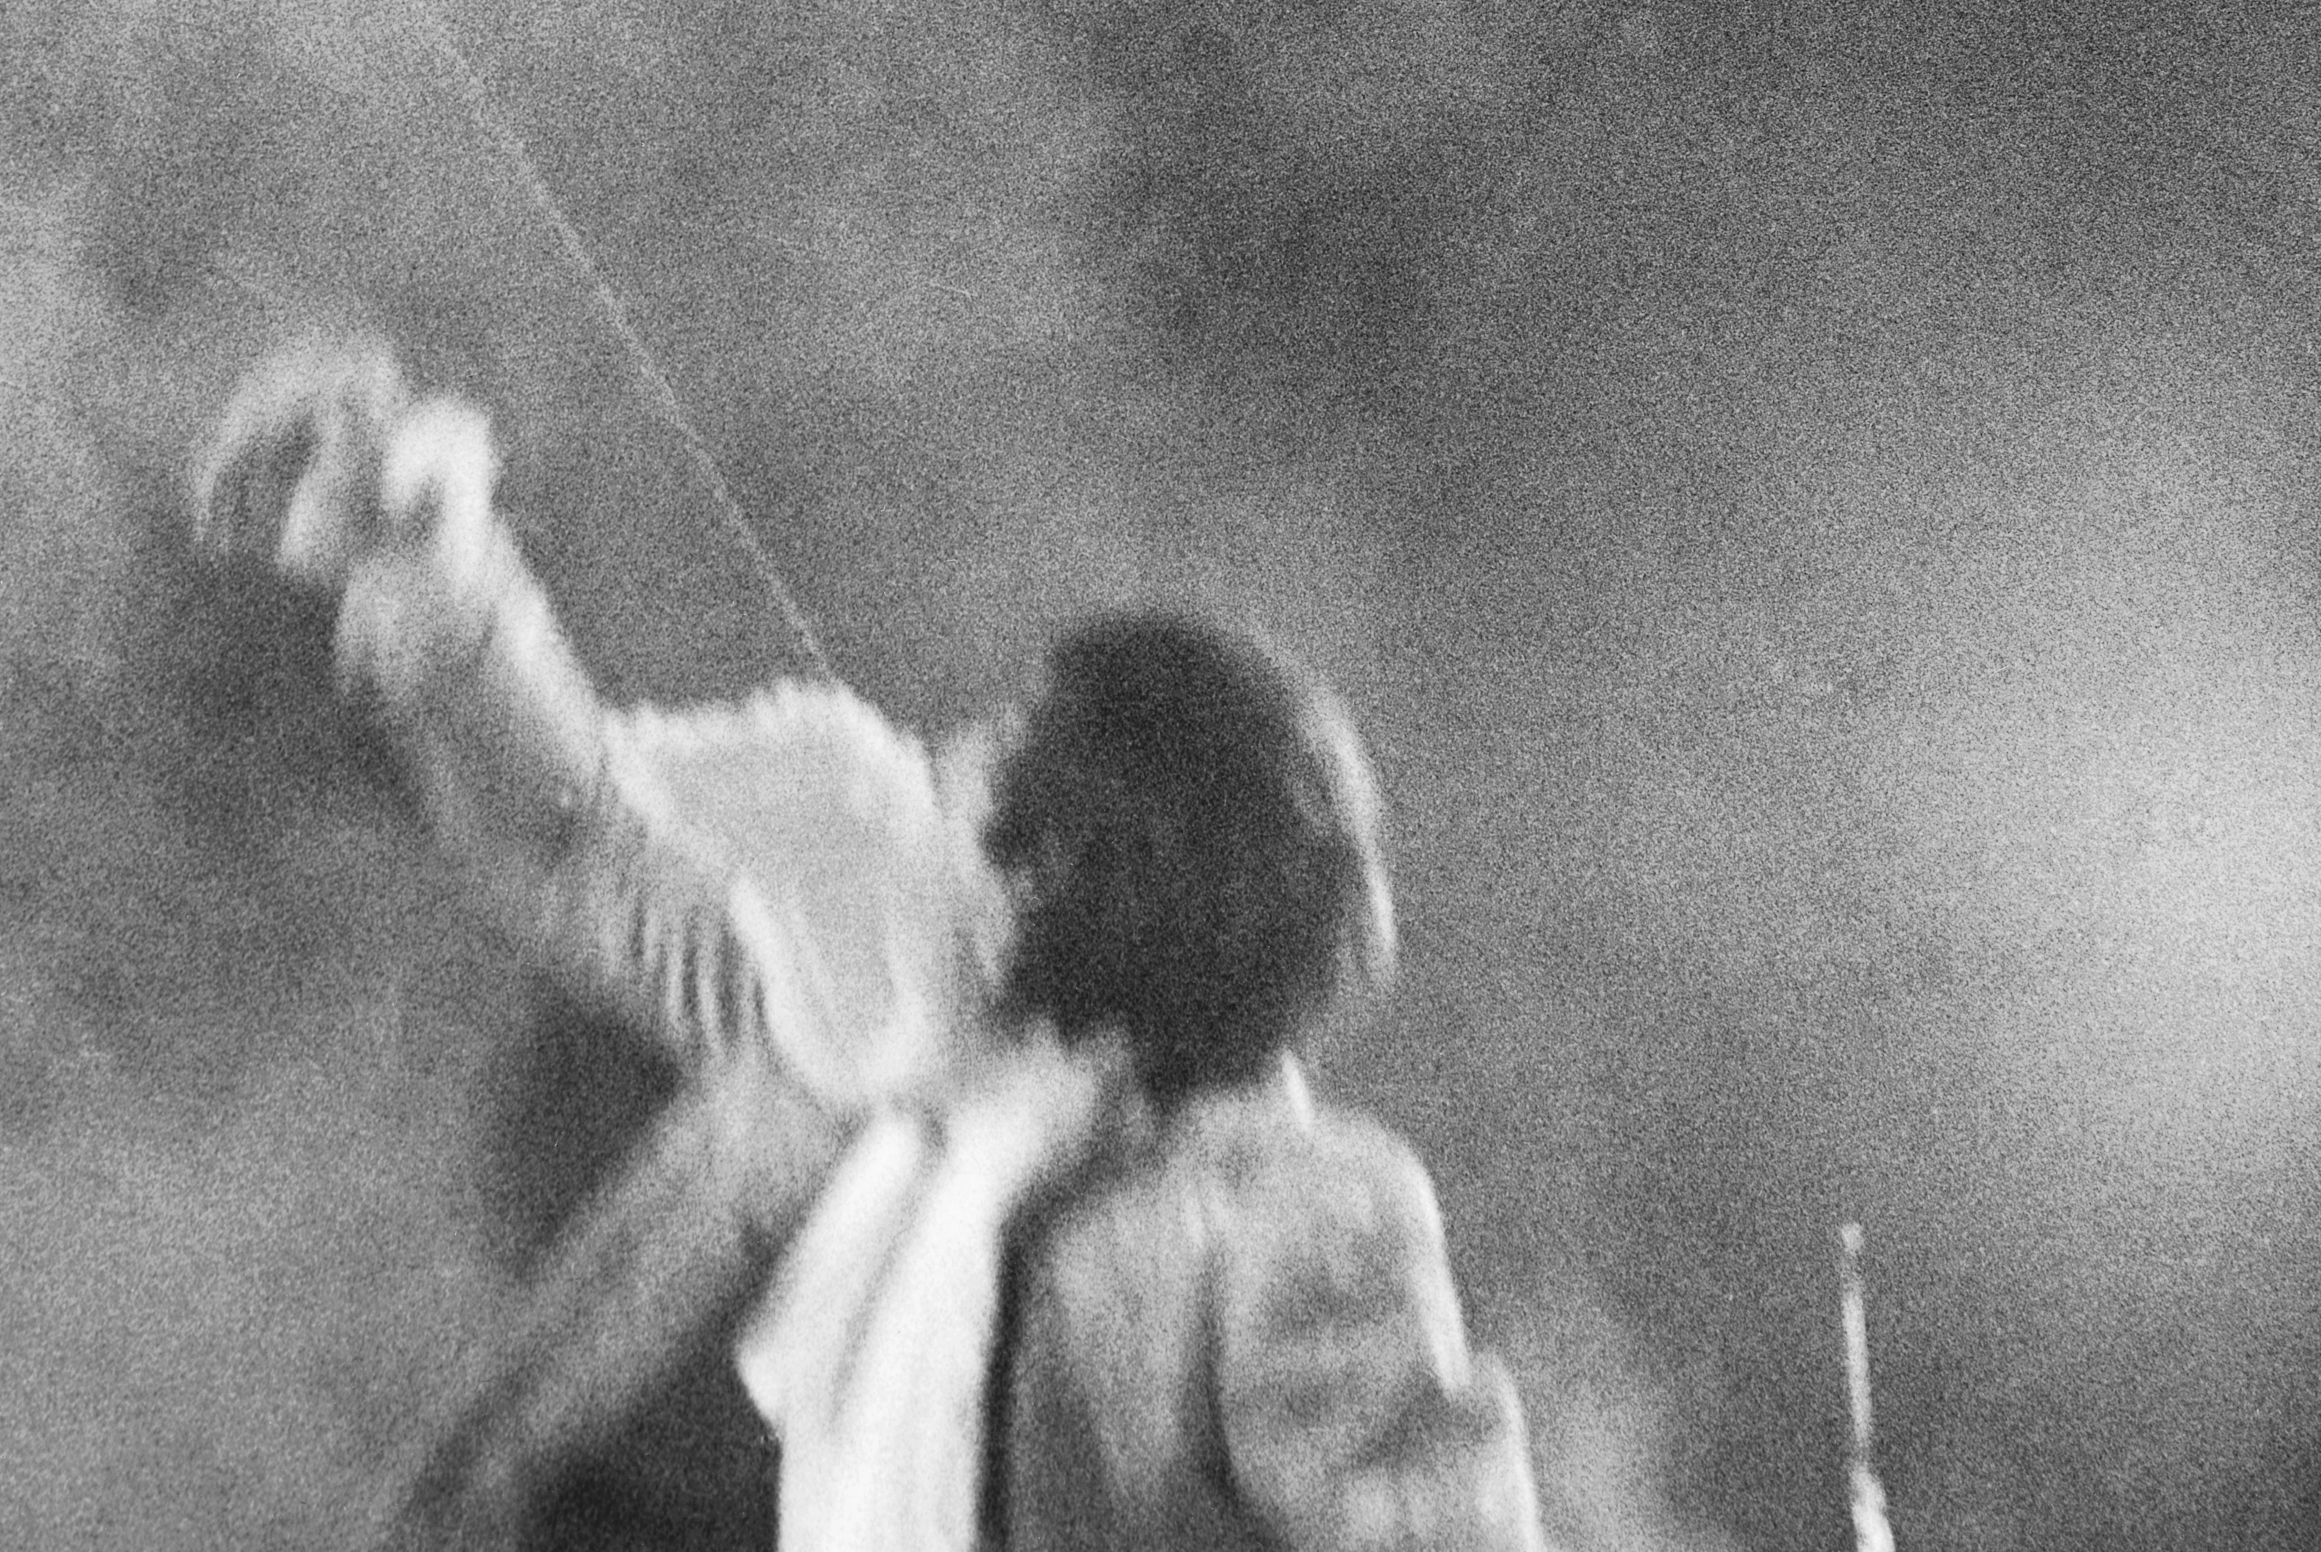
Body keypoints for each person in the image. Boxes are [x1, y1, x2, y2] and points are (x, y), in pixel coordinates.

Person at [195, 334, 1546, 1552]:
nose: (924, 771)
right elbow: (577, 839)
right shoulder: (849, 1035)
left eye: (976, 756)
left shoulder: (1285, 1217)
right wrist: (426, 557)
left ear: (1052, 866)